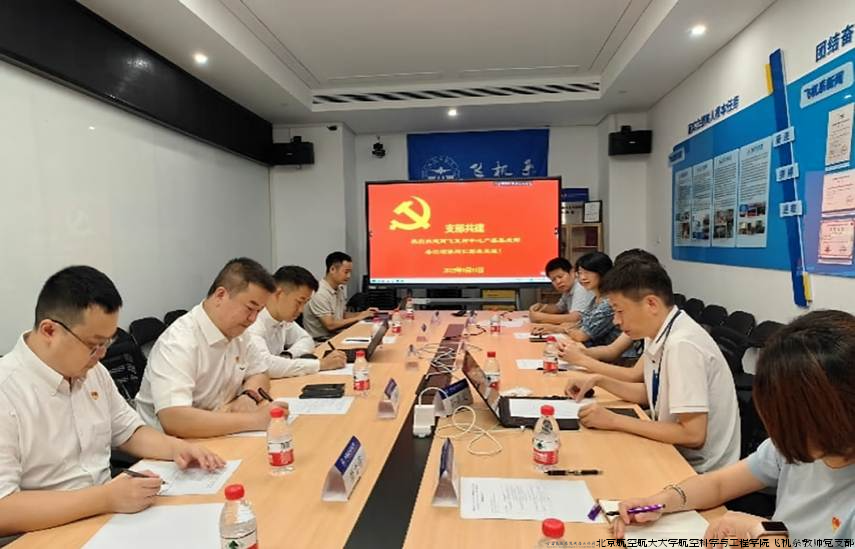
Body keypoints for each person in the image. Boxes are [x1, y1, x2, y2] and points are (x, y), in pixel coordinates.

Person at [0, 266, 223, 536]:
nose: (102, 355)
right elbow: (4, 508)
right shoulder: (7, 391)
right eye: (94, 345)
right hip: (46, 532)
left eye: (107, 343)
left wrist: (178, 448)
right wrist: (105, 498)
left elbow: (129, 432)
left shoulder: (92, 372)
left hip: (107, 518)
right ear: (49, 331)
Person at [613, 310, 855, 540]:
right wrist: (661, 502)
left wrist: (762, 531)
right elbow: (718, 484)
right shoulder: (793, 444)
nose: (784, 432)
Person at [564, 260, 740, 473]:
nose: (616, 321)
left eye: (620, 311)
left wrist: (614, 420)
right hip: (673, 450)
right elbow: (652, 394)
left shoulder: (682, 345)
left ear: (651, 304)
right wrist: (599, 380)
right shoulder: (659, 330)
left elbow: (693, 435)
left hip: (698, 470)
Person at [136, 258, 284, 438]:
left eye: (259, 312)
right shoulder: (178, 342)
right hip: (174, 445)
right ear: (220, 295)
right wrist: (255, 420)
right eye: (249, 308)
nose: (253, 319)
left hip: (220, 433)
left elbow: (260, 373)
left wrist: (249, 396)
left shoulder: (239, 333)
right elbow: (175, 420)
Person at [246, 265, 347, 377]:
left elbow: (306, 339)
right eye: (299, 302)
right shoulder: (253, 321)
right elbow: (264, 364)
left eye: (305, 303)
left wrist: (288, 355)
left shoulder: (283, 320)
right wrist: (320, 364)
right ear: (279, 294)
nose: (301, 310)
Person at [302, 251, 376, 340]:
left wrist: (363, 313)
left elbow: (343, 315)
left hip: (337, 336)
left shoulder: (338, 289)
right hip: (321, 341)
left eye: (350, 272)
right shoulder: (320, 293)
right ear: (332, 269)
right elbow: (330, 325)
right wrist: (359, 318)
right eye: (346, 272)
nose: (349, 276)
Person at [528, 257, 594, 325]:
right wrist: (542, 307)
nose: (558, 281)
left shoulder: (581, 287)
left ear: (572, 272)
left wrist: (541, 318)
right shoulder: (568, 288)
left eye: (560, 277)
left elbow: (576, 318)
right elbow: (559, 308)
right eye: (553, 279)